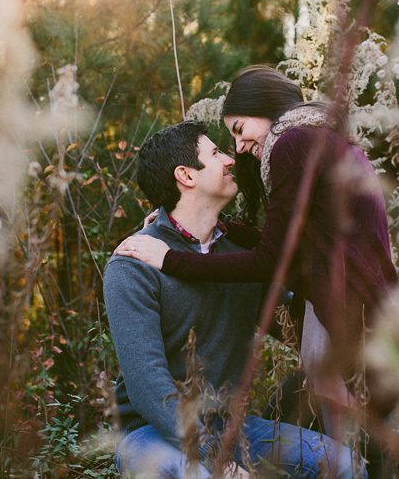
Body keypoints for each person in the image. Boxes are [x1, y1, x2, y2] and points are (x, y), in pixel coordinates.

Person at [115, 66, 399, 422]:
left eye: (239, 130)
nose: (238, 148)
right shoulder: (320, 139)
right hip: (367, 310)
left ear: (266, 108)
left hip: (348, 316)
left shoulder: (292, 144)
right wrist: (219, 227)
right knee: (355, 441)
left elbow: (269, 260)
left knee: (355, 447)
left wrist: (171, 259)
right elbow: (287, 243)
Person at [104, 120, 363, 478]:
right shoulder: (134, 263)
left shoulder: (241, 255)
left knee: (347, 466)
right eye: (215, 153)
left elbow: (292, 323)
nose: (230, 159)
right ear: (186, 175)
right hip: (154, 432)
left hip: (232, 425)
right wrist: (215, 458)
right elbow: (149, 387)